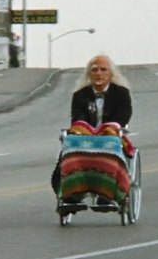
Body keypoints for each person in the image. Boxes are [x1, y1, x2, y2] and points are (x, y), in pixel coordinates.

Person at [51, 54, 133, 198]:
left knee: (112, 143)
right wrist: (89, 131)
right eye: (95, 70)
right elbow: (77, 117)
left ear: (110, 74)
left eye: (103, 70)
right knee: (70, 144)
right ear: (89, 73)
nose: (99, 73)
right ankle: (73, 191)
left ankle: (109, 191)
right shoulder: (80, 95)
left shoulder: (121, 93)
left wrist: (106, 129)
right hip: (86, 134)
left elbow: (123, 116)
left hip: (110, 134)